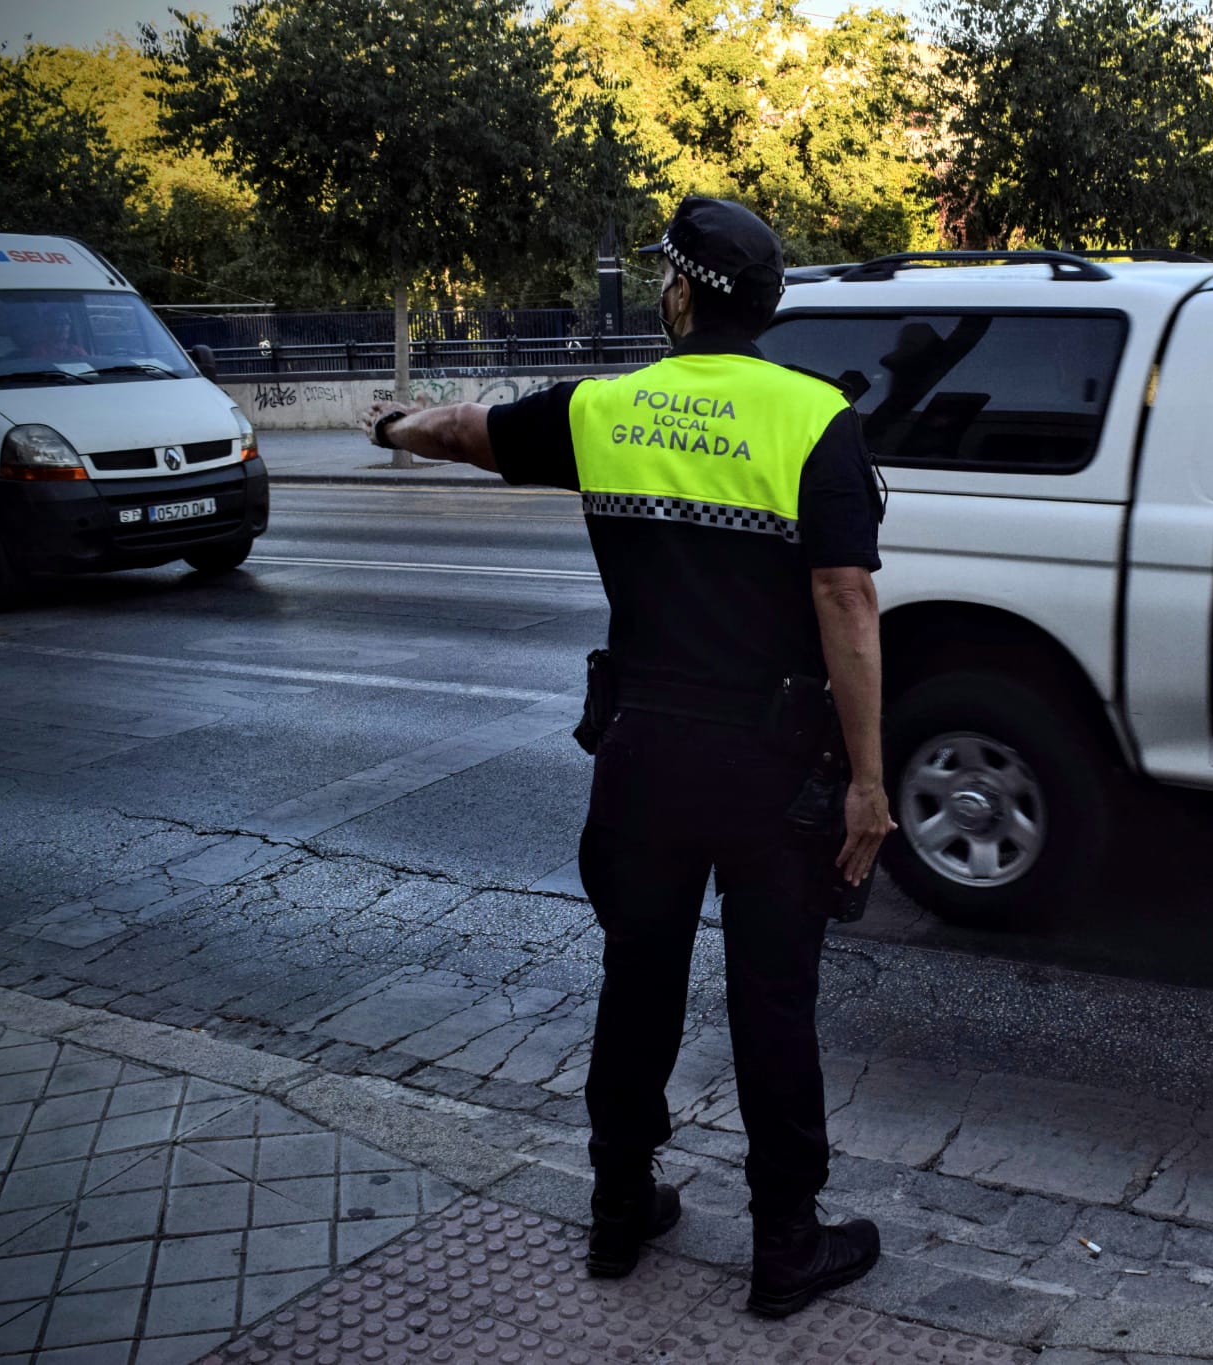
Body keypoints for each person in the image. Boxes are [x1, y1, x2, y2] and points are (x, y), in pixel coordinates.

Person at [358, 197, 894, 1317]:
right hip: (770, 767)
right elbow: (843, 595)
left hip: (643, 759)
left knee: (636, 982)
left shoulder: (605, 409)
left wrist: (391, 426)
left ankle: (618, 1208)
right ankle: (785, 1244)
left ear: (684, 293)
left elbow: (463, 430)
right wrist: (866, 781)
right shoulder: (814, 421)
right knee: (772, 1003)